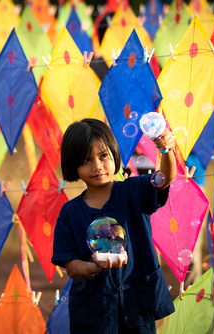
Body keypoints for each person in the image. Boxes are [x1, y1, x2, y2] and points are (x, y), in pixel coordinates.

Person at [51, 118, 177, 334]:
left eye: (103, 156)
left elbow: (163, 180)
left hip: (138, 306)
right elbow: (72, 267)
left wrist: (166, 150)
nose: (97, 166)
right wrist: (94, 267)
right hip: (92, 316)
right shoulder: (69, 213)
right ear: (73, 166)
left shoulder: (133, 191)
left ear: (114, 154)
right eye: (86, 160)